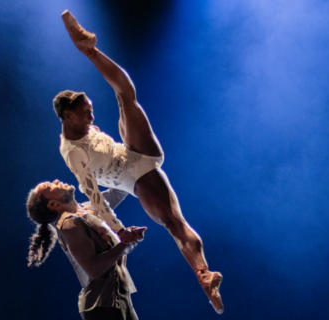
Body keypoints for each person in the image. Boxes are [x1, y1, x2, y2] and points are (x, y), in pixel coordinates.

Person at [53, 10, 223, 313]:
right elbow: (94, 197)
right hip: (131, 179)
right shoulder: (72, 153)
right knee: (173, 222)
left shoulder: (82, 128)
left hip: (132, 152)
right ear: (67, 116)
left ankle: (89, 50)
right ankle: (204, 277)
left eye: (91, 109)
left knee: (126, 96)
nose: (92, 116)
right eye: (86, 112)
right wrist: (118, 231)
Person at [27, 179, 146, 320]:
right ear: (53, 204)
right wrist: (126, 243)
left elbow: (120, 189)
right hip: (102, 307)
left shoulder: (92, 207)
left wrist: (96, 171)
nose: (56, 181)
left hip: (120, 299)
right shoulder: (69, 224)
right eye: (50, 186)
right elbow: (93, 269)